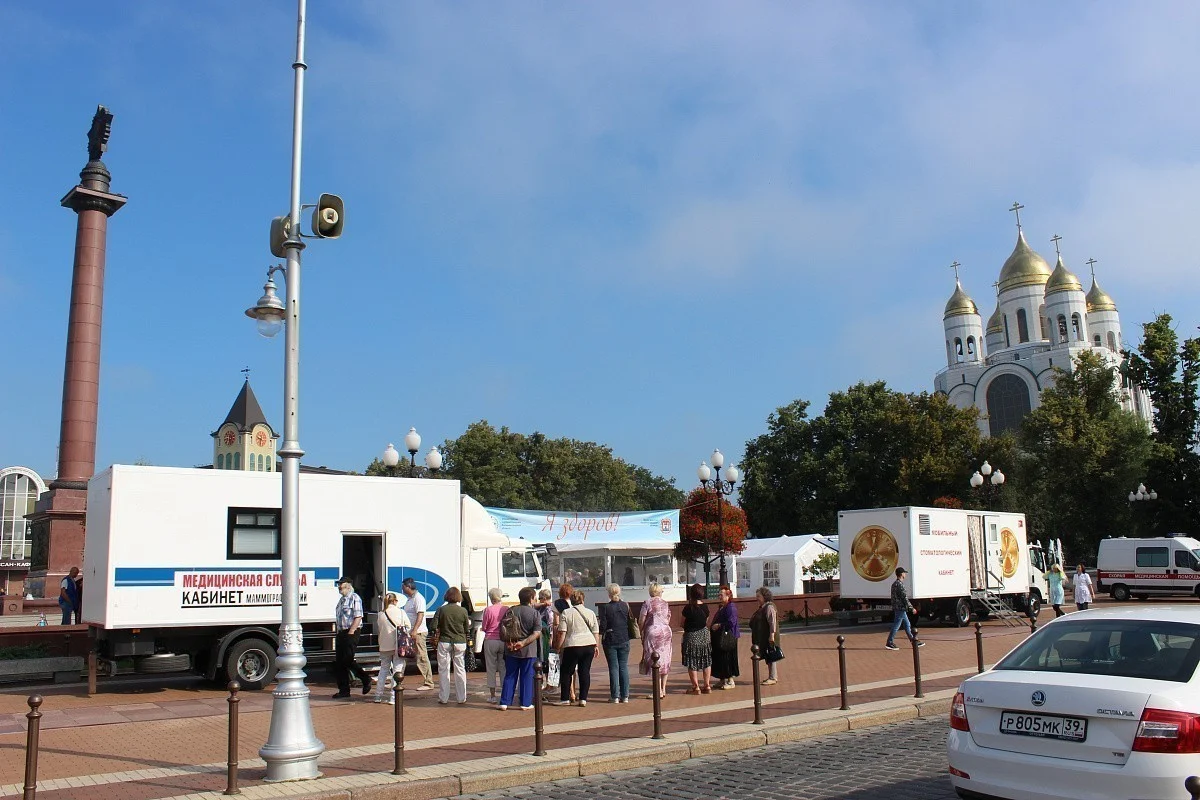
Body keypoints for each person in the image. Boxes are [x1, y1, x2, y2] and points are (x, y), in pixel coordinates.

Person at [498, 586, 542, 710]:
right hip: (529, 650)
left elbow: (502, 629)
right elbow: (536, 633)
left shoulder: (510, 611)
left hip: (511, 648)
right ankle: (525, 703)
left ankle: (504, 702)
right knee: (527, 676)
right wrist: (523, 643)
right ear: (531, 598)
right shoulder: (534, 613)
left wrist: (508, 642)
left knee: (510, 675)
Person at [554, 590, 601, 706]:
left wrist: (558, 647)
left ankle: (565, 699)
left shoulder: (566, 613)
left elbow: (562, 632)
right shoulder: (590, 613)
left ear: (571, 600)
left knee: (566, 672)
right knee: (584, 671)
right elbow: (596, 632)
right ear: (583, 600)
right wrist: (596, 645)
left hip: (572, 644)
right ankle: (583, 698)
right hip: (589, 644)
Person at [333, 577, 372, 699]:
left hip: (351, 631)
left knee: (348, 659)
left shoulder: (355, 598)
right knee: (340, 663)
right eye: (339, 585)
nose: (339, 587)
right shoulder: (341, 600)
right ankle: (344, 690)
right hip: (341, 632)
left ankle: (365, 678)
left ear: (349, 586)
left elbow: (358, 616)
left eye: (342, 585)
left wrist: (351, 631)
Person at [431, 586, 471, 705]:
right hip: (460, 641)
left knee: (444, 669)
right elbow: (466, 629)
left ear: (447, 596)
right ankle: (461, 697)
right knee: (460, 669)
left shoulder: (441, 610)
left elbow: (433, 626)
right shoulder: (463, 611)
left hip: (444, 641)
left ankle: (444, 697)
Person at [374, 592, 410, 704]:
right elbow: (408, 626)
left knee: (383, 670)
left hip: (384, 645)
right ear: (395, 601)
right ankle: (393, 697)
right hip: (398, 645)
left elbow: (379, 628)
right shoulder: (401, 612)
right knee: (397, 670)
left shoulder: (381, 614)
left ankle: (378, 696)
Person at [599, 584, 633, 703]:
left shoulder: (606, 608)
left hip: (611, 639)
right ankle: (625, 695)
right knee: (623, 666)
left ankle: (615, 696)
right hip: (624, 637)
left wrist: (600, 632)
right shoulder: (625, 605)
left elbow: (603, 625)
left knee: (613, 667)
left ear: (609, 594)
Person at [639, 582, 672, 699]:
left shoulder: (647, 602)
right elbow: (668, 618)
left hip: (653, 631)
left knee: (654, 660)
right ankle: (663, 689)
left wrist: (641, 631)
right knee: (665, 659)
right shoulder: (665, 603)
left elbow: (641, 619)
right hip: (666, 631)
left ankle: (657, 691)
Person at [401, 577, 435, 692]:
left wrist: (415, 630)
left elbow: (420, 615)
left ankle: (429, 682)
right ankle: (397, 680)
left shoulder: (418, 599)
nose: (402, 589)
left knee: (421, 656)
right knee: (403, 656)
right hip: (409, 632)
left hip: (418, 632)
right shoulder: (410, 599)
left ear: (408, 587)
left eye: (403, 586)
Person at [681, 582, 712, 694]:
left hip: (691, 636)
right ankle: (707, 685)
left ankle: (696, 687)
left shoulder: (688, 608)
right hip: (704, 635)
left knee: (692, 661)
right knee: (706, 660)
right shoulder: (705, 607)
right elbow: (706, 621)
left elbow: (681, 623)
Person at [885, 567, 924, 651]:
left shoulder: (894, 584)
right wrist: (912, 608)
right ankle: (889, 642)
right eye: (904, 573)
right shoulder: (900, 585)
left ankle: (913, 641)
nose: (905, 574)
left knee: (907, 624)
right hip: (900, 608)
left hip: (898, 608)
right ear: (901, 574)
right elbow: (904, 598)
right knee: (896, 625)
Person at [710, 585, 740, 689]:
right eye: (719, 595)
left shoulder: (731, 607)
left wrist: (719, 625)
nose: (719, 597)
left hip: (728, 637)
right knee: (719, 658)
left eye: (721, 595)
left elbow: (731, 622)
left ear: (728, 596)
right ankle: (722, 679)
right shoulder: (722, 606)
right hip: (720, 637)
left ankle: (730, 680)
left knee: (727, 658)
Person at [480, 588, 508, 703]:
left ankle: (492, 696)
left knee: (491, 667)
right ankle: (505, 694)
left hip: (490, 640)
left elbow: (484, 627)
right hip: (503, 640)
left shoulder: (488, 610)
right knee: (503, 667)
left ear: (491, 598)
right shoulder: (506, 609)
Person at [749, 587, 781, 685]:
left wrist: (772, 635)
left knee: (771, 655)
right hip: (764, 636)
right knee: (768, 655)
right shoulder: (763, 607)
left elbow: (772, 622)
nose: (757, 598)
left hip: (768, 636)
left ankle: (773, 677)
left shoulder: (769, 607)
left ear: (764, 596)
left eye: (759, 596)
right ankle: (771, 676)